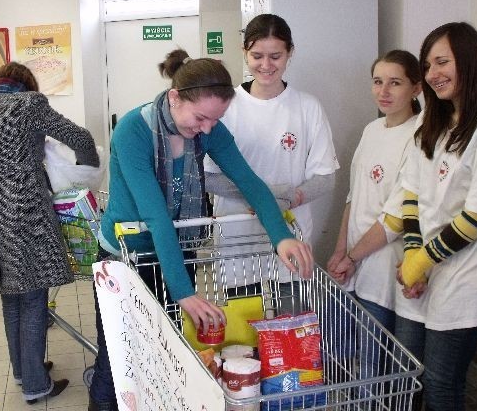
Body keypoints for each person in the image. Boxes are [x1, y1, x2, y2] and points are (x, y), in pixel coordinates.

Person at [88, 49, 314, 410]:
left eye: (216, 119)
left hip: (176, 251)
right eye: (201, 118)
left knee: (167, 353)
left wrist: (281, 236)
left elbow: (250, 183)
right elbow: (157, 215)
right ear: (175, 97)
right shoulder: (134, 131)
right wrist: (183, 292)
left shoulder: (209, 129)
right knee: (119, 358)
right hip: (126, 258)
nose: (207, 129)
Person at [0, 62, 100, 404]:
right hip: (27, 211)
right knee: (34, 296)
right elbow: (81, 137)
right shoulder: (29, 104)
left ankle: (25, 370)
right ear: (26, 84)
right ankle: (37, 384)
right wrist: (86, 169)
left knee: (11, 298)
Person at [395, 22, 477, 410]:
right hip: (426, 267)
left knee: (442, 384)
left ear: (470, 60)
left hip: (468, 273)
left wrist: (420, 262)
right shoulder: (433, 120)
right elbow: (412, 196)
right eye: (427, 65)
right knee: (409, 374)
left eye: (442, 61)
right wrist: (415, 257)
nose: (432, 74)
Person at [204, 14, 338, 310]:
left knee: (292, 327)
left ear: (290, 53)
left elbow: (326, 177)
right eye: (257, 56)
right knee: (244, 331)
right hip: (237, 236)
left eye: (276, 56)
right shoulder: (226, 106)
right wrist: (261, 197)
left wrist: (286, 199)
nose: (266, 65)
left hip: (292, 231)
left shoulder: (307, 107)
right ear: (244, 54)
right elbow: (208, 177)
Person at [326, 50, 421, 400]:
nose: (384, 91)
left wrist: (352, 256)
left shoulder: (421, 134)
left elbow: (395, 219)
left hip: (381, 269)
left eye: (395, 82)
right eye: (378, 82)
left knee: (372, 370)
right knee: (338, 360)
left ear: (416, 88)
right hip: (350, 265)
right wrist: (339, 252)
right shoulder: (371, 129)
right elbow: (354, 197)